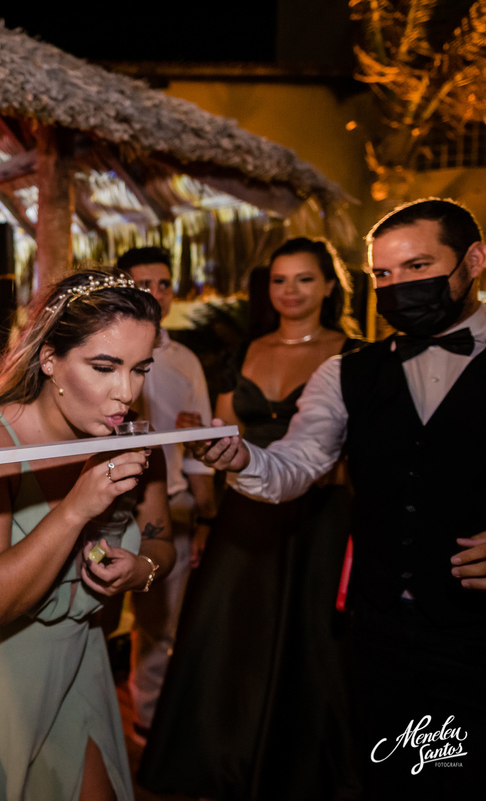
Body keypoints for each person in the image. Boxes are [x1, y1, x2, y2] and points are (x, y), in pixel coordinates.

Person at [191, 199, 486, 799]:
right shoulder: (345, 372)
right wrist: (243, 458)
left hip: (482, 632)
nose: (397, 286)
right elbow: (298, 464)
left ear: (475, 260)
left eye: (417, 267)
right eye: (383, 274)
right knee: (393, 776)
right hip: (379, 627)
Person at [0, 270, 175, 801]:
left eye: (140, 369)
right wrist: (77, 508)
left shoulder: (134, 438)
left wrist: (141, 570)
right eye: (104, 368)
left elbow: (162, 543)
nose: (126, 392)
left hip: (81, 658)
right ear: (50, 359)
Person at [139, 236, 363, 800]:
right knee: (228, 636)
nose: (291, 291)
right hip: (244, 514)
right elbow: (219, 438)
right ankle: (222, 760)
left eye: (304, 279)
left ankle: (298, 769)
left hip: (318, 518)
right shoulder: (241, 352)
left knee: (309, 641)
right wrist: (203, 459)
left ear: (329, 286)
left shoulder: (356, 356)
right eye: (280, 280)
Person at [116, 247, 216, 744]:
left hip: (170, 506)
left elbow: (198, 452)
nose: (155, 294)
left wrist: (205, 516)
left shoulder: (185, 361)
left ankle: (151, 723)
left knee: (162, 623)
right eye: (143, 285)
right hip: (109, 505)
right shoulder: (102, 354)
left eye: (163, 284)